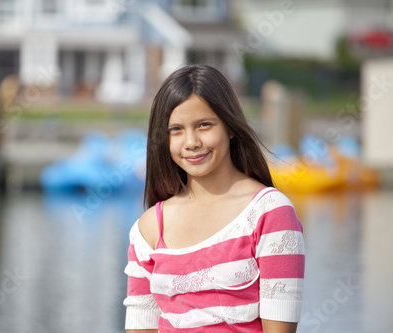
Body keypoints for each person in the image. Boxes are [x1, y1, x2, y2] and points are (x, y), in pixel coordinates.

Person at [123, 65, 305, 333]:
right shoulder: (148, 229)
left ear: (230, 127)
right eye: (176, 129)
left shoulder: (270, 214)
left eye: (204, 125)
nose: (191, 142)